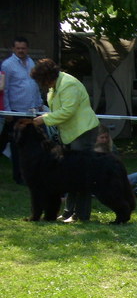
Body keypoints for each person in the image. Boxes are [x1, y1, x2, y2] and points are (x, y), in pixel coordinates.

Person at [31, 58, 100, 222]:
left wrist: (44, 119)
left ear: (47, 77)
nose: (41, 84)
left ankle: (81, 215)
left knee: (81, 175)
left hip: (83, 132)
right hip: (69, 134)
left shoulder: (68, 84)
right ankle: (69, 212)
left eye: (41, 80)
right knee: (69, 174)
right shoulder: (54, 87)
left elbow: (67, 111)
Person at [2, 37, 44, 184]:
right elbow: (4, 90)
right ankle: (18, 176)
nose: (21, 51)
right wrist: (7, 111)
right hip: (16, 112)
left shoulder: (31, 62)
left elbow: (35, 85)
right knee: (16, 145)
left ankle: (31, 173)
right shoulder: (7, 65)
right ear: (13, 49)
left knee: (31, 143)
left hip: (31, 111)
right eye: (18, 48)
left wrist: (39, 104)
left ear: (27, 48)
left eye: (23, 48)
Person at [94, 124, 137, 195]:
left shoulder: (111, 148)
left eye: (106, 137)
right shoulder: (91, 150)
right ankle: (135, 189)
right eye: (102, 137)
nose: (105, 140)